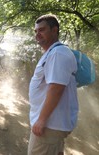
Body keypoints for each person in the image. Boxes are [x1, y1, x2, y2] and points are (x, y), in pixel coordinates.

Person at [28, 14, 78, 155]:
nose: (38, 34)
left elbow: (56, 88)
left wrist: (41, 120)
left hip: (50, 125)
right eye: (36, 31)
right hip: (52, 125)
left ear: (54, 30)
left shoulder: (58, 53)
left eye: (42, 30)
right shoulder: (53, 52)